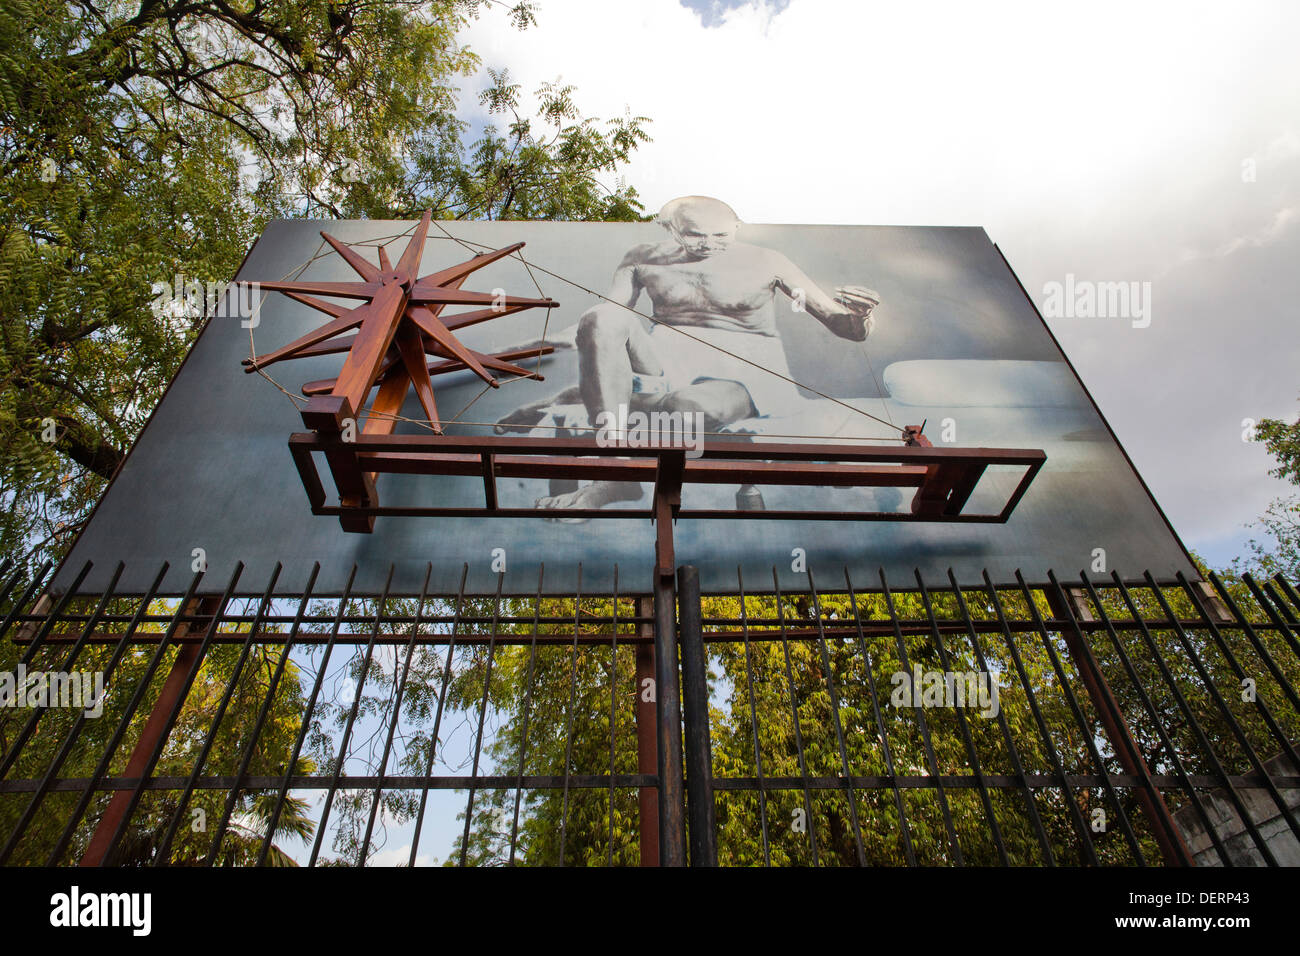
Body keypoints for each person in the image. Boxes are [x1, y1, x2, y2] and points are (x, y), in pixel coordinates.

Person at [496, 195, 879, 511]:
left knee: (684, 408)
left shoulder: (767, 261)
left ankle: (574, 397)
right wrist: (527, 347)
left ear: (737, 229)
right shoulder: (642, 257)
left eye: (721, 236)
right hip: (666, 355)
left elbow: (841, 324)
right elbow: (607, 318)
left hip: (744, 367)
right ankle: (617, 474)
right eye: (696, 235)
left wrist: (861, 316)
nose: (710, 245)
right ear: (670, 229)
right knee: (599, 317)